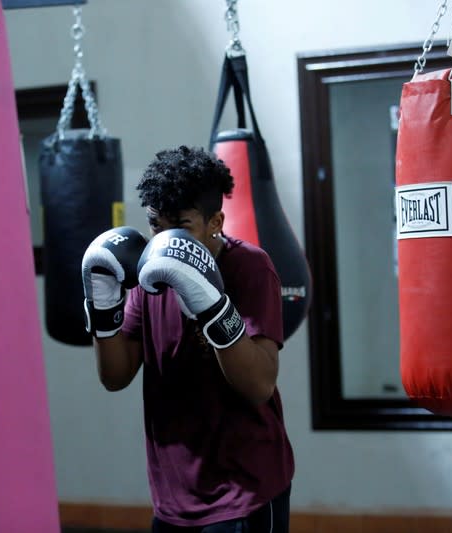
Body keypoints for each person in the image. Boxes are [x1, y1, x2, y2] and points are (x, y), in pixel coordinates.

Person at [81, 145, 294, 532]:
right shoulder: (149, 274)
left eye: (180, 226)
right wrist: (103, 306)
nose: (164, 239)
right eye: (155, 225)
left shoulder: (249, 267)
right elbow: (115, 376)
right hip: (172, 492)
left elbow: (259, 385)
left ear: (215, 221)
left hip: (242, 489)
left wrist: (212, 306)